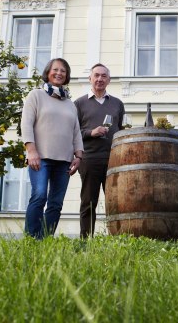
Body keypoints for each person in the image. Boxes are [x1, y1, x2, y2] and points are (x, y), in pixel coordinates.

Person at [21, 58, 84, 239]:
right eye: (55, 69)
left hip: (64, 161)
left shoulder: (70, 104)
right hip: (40, 158)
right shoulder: (36, 95)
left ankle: (44, 239)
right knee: (39, 196)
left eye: (63, 71)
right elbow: (26, 124)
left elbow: (76, 132)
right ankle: (31, 239)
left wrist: (78, 156)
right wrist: (31, 150)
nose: (59, 73)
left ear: (67, 76)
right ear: (48, 72)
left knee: (56, 203)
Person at [74, 63, 125, 238]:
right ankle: (85, 241)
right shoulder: (79, 104)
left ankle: (118, 240)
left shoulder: (117, 104)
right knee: (88, 202)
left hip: (114, 160)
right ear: (90, 79)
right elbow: (72, 133)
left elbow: (121, 130)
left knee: (116, 203)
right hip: (89, 159)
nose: (100, 79)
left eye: (104, 76)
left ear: (109, 80)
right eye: (96, 75)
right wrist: (91, 132)